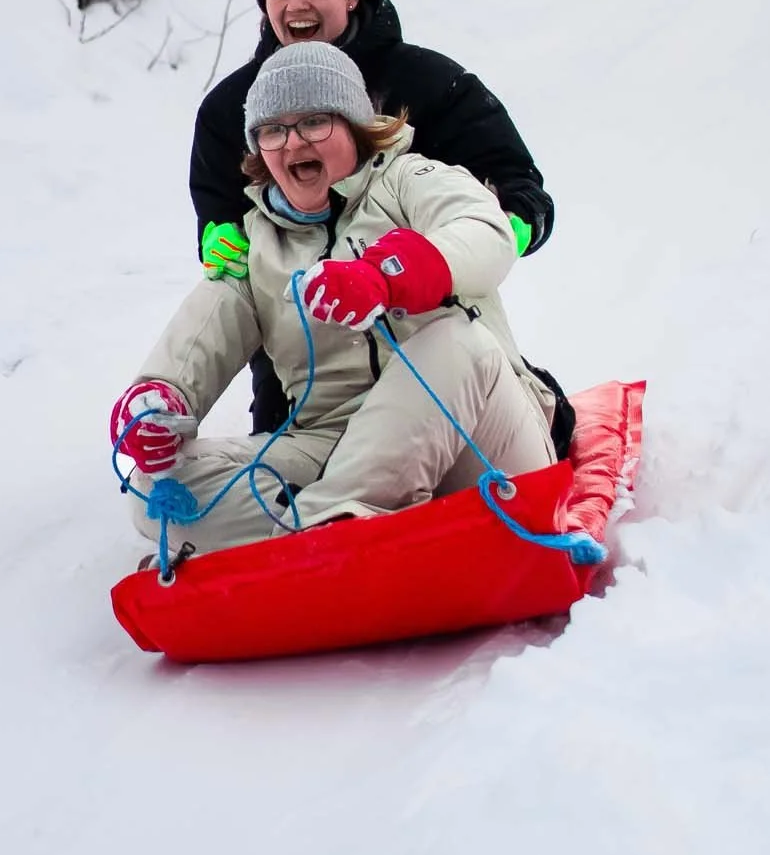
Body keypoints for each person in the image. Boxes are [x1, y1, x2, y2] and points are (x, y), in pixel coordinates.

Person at [114, 42, 559, 553]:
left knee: (460, 341)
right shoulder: (259, 243)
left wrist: (385, 275)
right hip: (335, 444)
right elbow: (203, 334)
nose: (292, 142)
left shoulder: (410, 180)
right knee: (159, 489)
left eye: (314, 122)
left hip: (475, 439)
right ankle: (349, 530)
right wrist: (158, 400)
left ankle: (318, 538)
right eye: (272, 130)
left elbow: (485, 231)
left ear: (354, 126)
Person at [191, 0, 553, 431]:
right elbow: (219, 206)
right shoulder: (231, 108)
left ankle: (525, 407)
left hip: (429, 324)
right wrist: (217, 234)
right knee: (288, 448)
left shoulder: (430, 83)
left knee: (457, 426)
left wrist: (503, 227)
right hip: (304, 348)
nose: (295, 4)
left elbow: (519, 184)